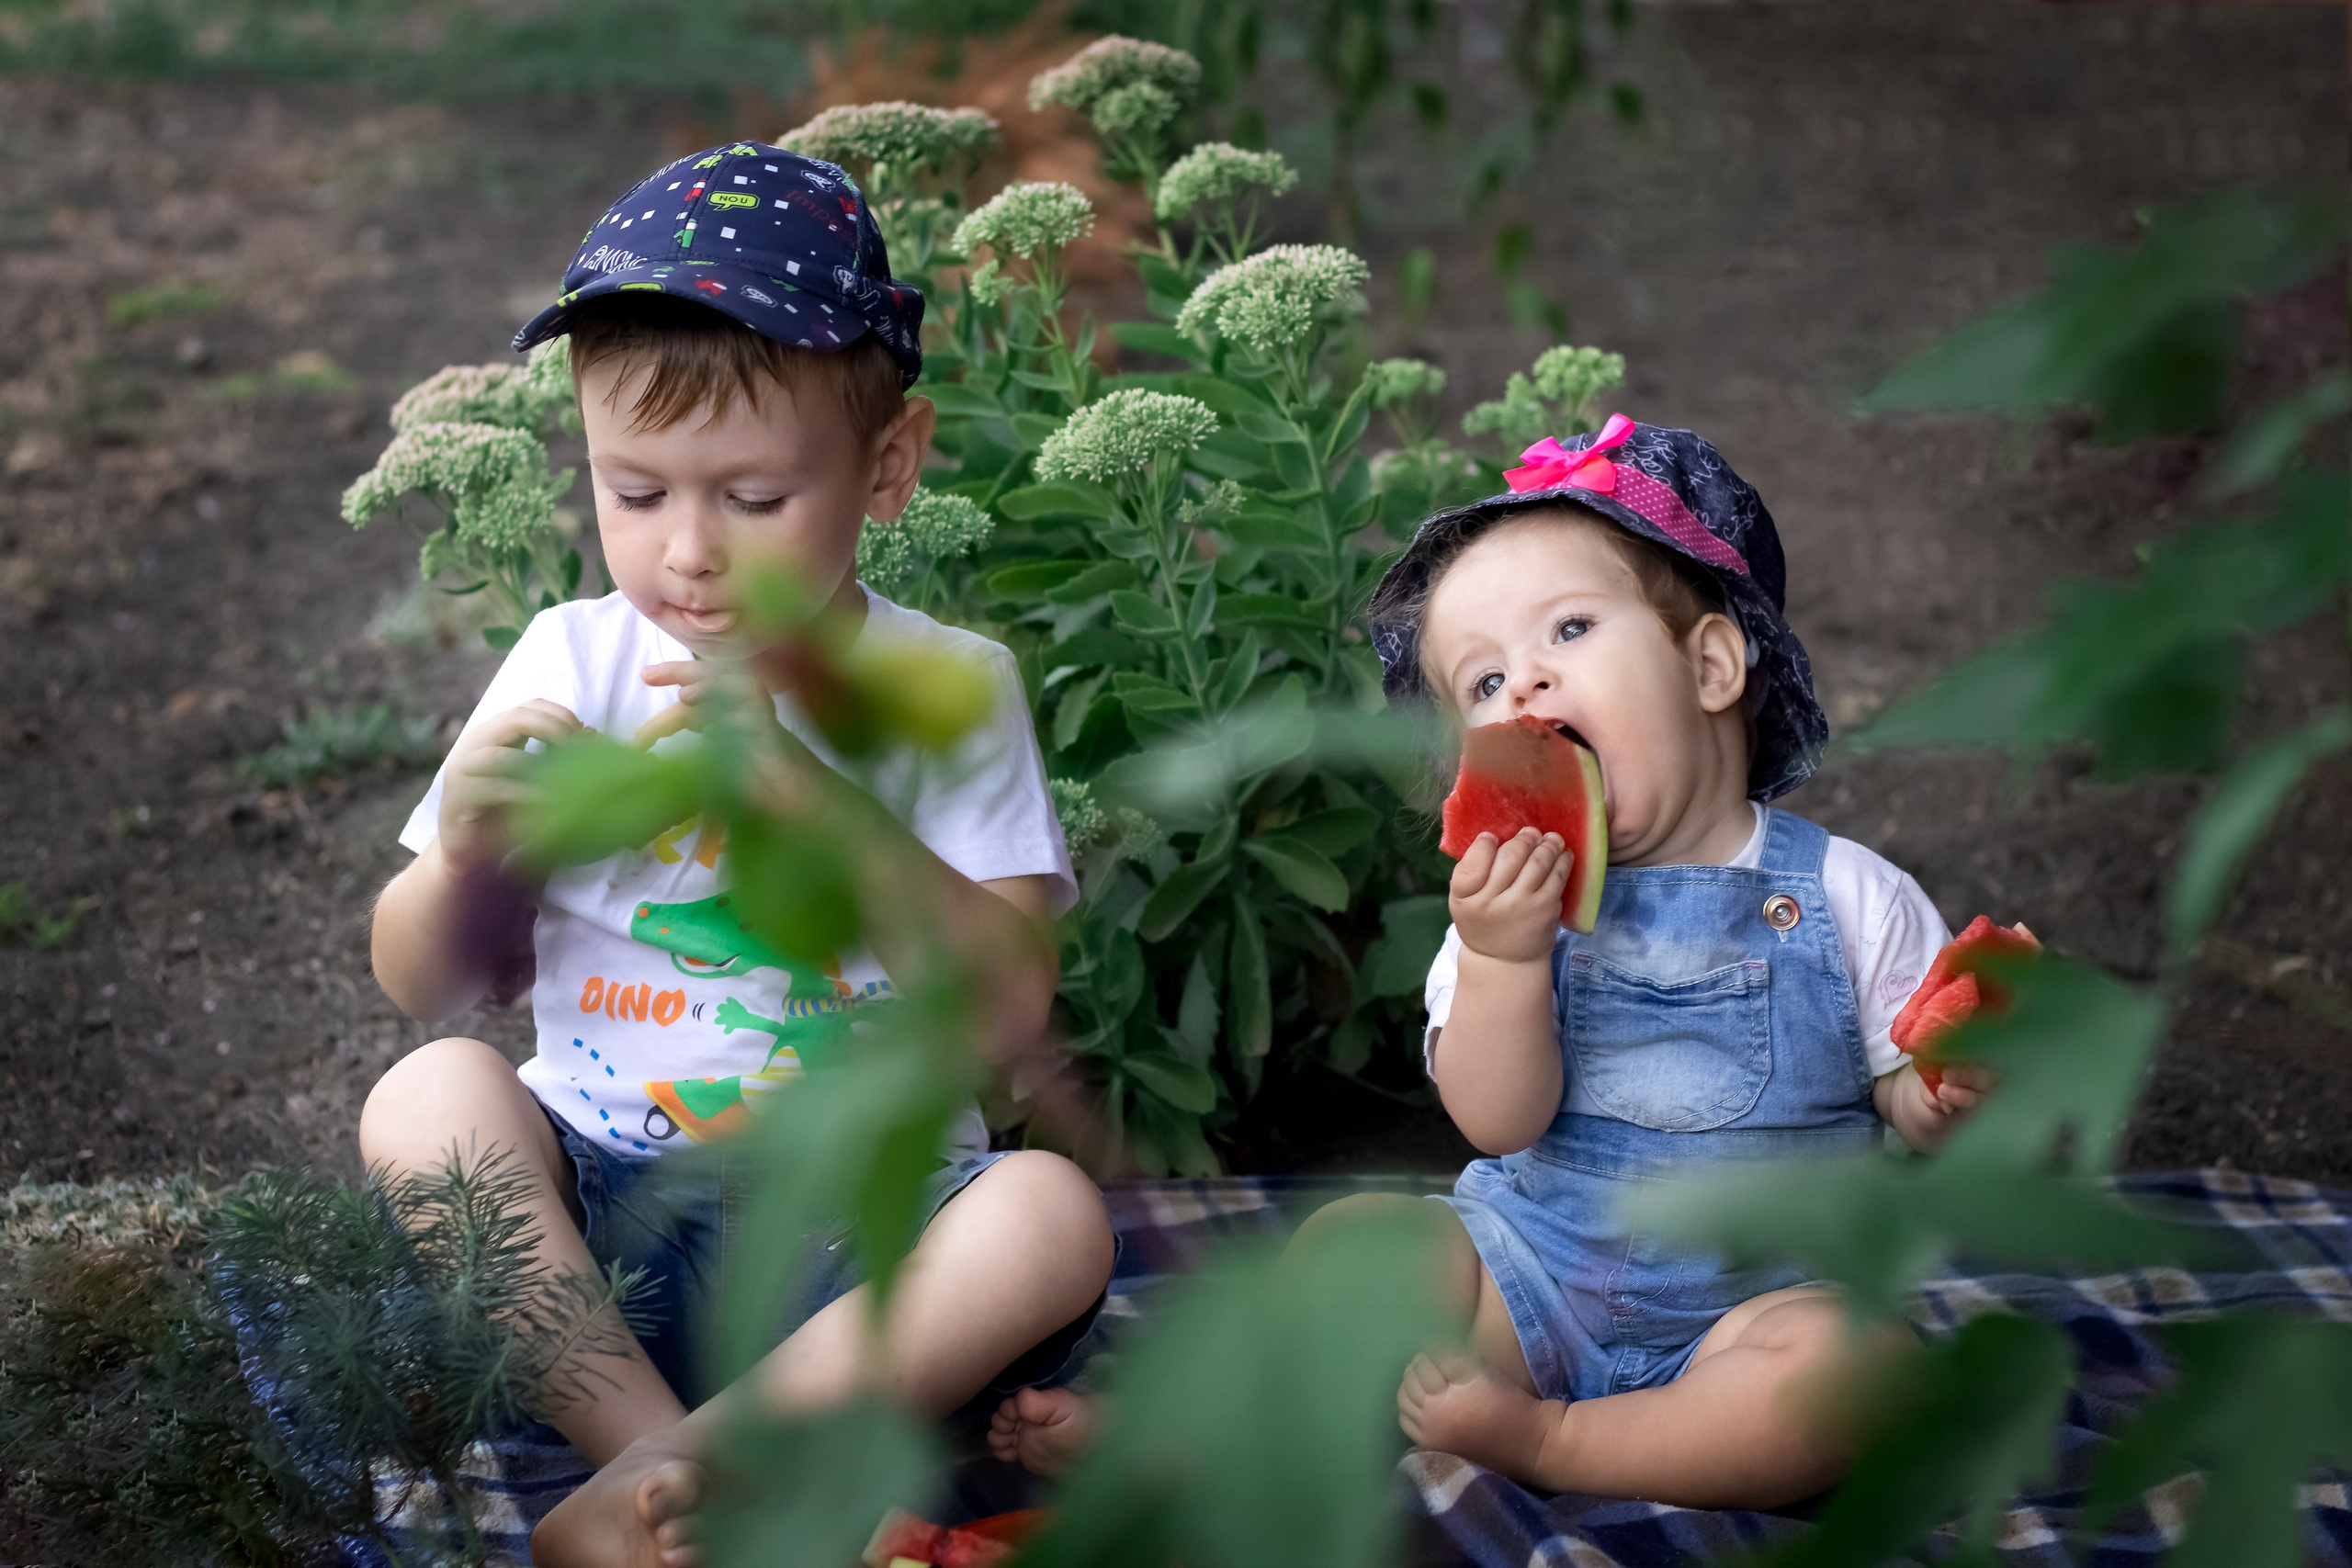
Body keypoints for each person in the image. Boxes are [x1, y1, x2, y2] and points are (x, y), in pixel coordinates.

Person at [990, 416, 1999, 1504]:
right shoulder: (1499, 913)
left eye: (1569, 629)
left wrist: (1948, 1094)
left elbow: (1912, 1102)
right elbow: (1495, 1121)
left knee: (1859, 1371)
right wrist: (1504, 959)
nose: (1521, 688)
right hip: (1520, 1291)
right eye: (1481, 684)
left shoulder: (1848, 894)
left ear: (1709, 664)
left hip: (1756, 1313)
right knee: (1360, 1239)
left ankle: (1557, 1444)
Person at [363, 141, 1114, 1568]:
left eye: (754, 498)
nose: (690, 551)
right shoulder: (569, 661)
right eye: (635, 492)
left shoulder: (945, 689)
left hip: (862, 1257)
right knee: (427, 1095)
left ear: (887, 464)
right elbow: (420, 979)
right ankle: (656, 1457)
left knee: (1049, 1214)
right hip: (606, 1242)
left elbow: (1010, 1004)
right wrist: (464, 860)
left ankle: (672, 1478)